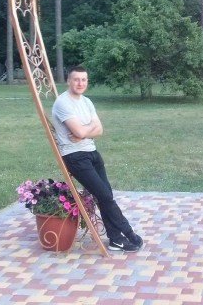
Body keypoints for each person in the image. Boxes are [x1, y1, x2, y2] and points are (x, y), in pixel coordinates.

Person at [51, 66, 143, 252]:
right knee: (105, 196)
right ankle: (128, 233)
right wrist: (88, 129)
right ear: (68, 81)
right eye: (76, 79)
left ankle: (115, 239)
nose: (80, 83)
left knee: (106, 196)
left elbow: (99, 130)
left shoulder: (87, 102)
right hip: (75, 156)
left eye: (84, 80)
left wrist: (84, 132)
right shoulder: (63, 103)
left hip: (92, 152)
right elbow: (80, 131)